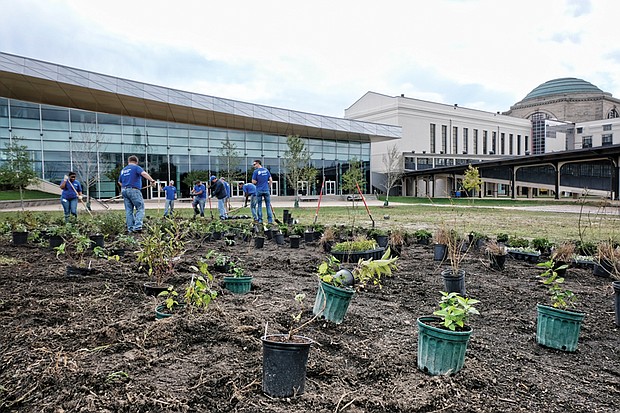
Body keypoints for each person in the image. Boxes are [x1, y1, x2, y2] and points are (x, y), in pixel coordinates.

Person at [118, 155, 155, 233]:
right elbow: (144, 174)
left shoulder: (123, 170)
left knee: (129, 211)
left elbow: (119, 182)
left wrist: (126, 187)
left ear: (128, 161)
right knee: (140, 208)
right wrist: (152, 180)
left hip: (124, 190)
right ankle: (138, 226)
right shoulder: (136, 167)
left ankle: (130, 229)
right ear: (136, 162)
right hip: (134, 190)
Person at [251, 159, 273, 224]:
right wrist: (268, 187)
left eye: (254, 164)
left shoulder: (256, 172)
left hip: (259, 190)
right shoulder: (266, 170)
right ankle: (270, 220)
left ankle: (260, 219)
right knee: (268, 205)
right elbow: (270, 180)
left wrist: (257, 182)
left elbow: (253, 181)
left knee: (259, 205)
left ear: (258, 163)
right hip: (266, 190)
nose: (254, 166)